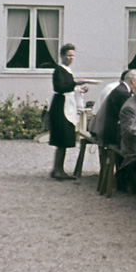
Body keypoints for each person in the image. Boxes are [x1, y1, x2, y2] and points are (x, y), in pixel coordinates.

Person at [48, 43, 89, 180]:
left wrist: (79, 89)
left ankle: (58, 168)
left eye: (73, 56)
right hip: (60, 107)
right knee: (61, 140)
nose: (71, 58)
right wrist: (76, 83)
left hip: (66, 105)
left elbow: (69, 88)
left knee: (64, 141)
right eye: (68, 55)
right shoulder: (59, 70)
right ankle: (57, 169)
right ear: (62, 56)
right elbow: (60, 87)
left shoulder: (67, 71)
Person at [100, 69, 136, 147]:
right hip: (114, 135)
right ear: (133, 81)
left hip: (109, 131)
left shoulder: (120, 89)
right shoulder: (123, 93)